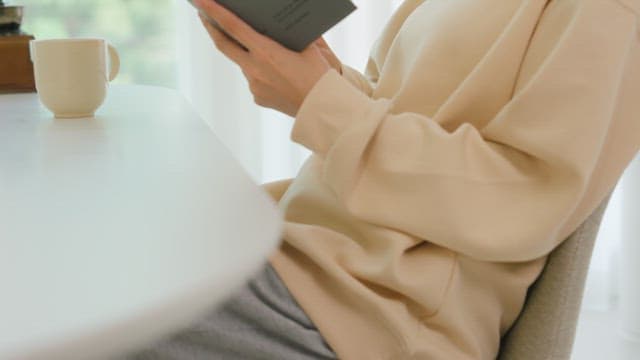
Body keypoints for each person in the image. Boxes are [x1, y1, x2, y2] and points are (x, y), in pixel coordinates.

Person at [125, 0, 640, 358]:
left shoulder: (606, 12)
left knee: (84, 306)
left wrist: (319, 102)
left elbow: (526, 199)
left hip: (374, 311)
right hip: (306, 256)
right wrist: (324, 78)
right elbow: (400, 106)